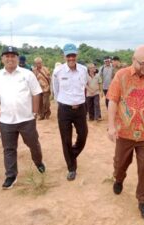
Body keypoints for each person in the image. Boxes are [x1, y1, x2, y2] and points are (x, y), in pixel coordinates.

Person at [107, 45, 144, 219]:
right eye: (143, 63)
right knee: (121, 162)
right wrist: (111, 126)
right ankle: (118, 178)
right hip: (124, 131)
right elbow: (113, 100)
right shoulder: (121, 75)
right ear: (133, 60)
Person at [0, 46, 46, 190]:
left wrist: (34, 112)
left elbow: (36, 93)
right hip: (6, 121)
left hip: (27, 119)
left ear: (18, 58)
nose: (10, 58)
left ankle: (38, 162)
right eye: (6, 56)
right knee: (9, 149)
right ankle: (11, 175)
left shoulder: (27, 74)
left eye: (13, 56)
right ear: (2, 59)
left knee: (33, 144)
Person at [52, 43, 88, 181]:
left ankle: (72, 154)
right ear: (64, 56)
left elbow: (84, 85)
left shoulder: (83, 70)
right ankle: (71, 168)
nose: (71, 58)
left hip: (80, 108)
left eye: (73, 55)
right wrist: (60, 103)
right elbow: (55, 89)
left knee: (83, 135)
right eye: (68, 55)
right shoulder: (58, 71)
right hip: (64, 110)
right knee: (66, 139)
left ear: (76, 55)